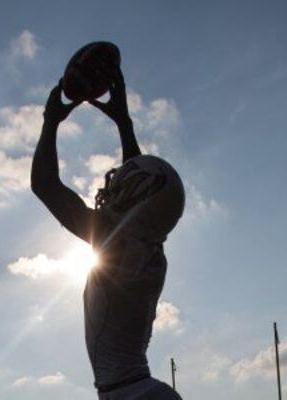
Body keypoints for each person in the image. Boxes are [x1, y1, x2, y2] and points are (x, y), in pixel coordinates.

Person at [31, 66, 184, 400]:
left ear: (136, 201)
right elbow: (143, 192)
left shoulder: (115, 246)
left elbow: (44, 184)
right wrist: (123, 121)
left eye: (125, 186)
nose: (115, 184)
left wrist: (51, 120)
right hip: (141, 391)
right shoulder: (152, 250)